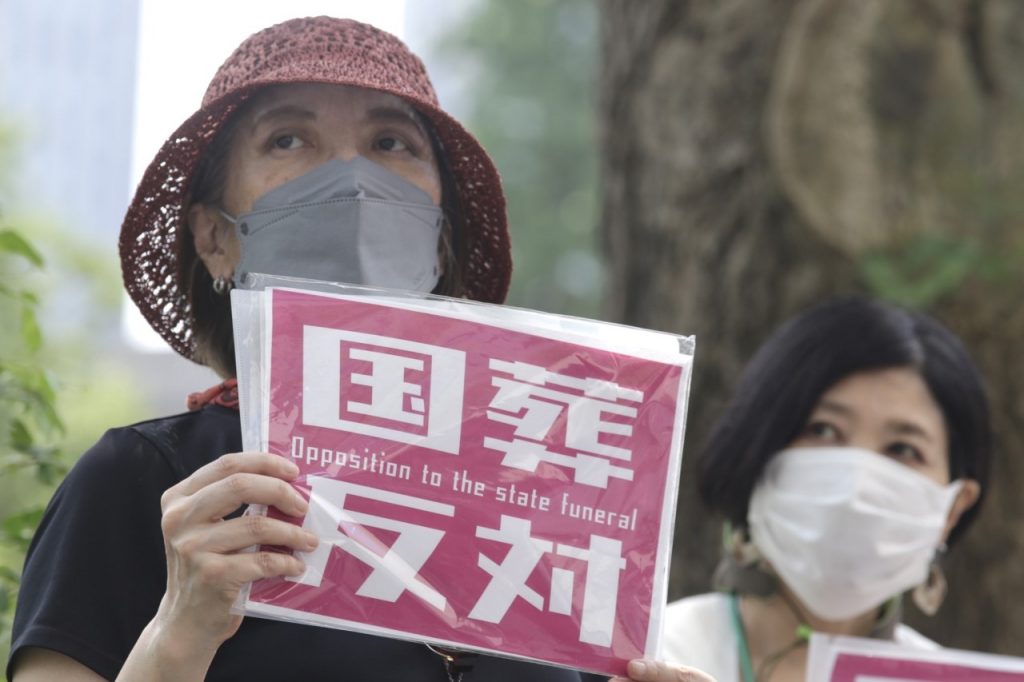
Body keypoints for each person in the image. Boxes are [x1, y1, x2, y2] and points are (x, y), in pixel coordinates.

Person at [7, 16, 712, 682]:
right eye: (287, 140)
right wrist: (179, 633)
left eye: (389, 144)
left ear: (438, 238)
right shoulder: (145, 482)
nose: (351, 178)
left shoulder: (556, 484)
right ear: (214, 238)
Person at [661, 297, 990, 682]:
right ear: (757, 450)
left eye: (903, 449)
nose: (855, 486)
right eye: (823, 430)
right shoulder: (648, 657)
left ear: (952, 509)